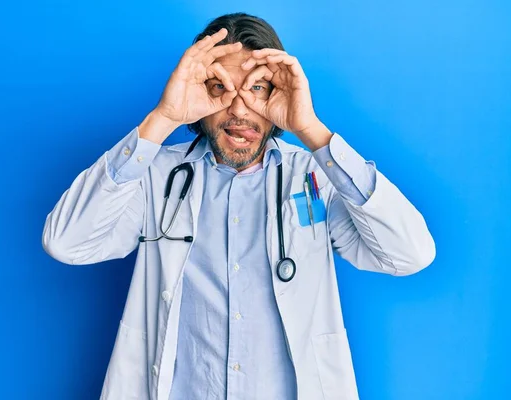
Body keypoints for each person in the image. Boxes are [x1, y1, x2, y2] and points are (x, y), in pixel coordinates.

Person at [42, 12, 435, 400]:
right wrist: (163, 118)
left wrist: (312, 132)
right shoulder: (154, 175)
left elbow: (410, 254)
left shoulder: (316, 178)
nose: (240, 109)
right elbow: (66, 242)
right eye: (219, 88)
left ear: (280, 92)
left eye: (259, 88)